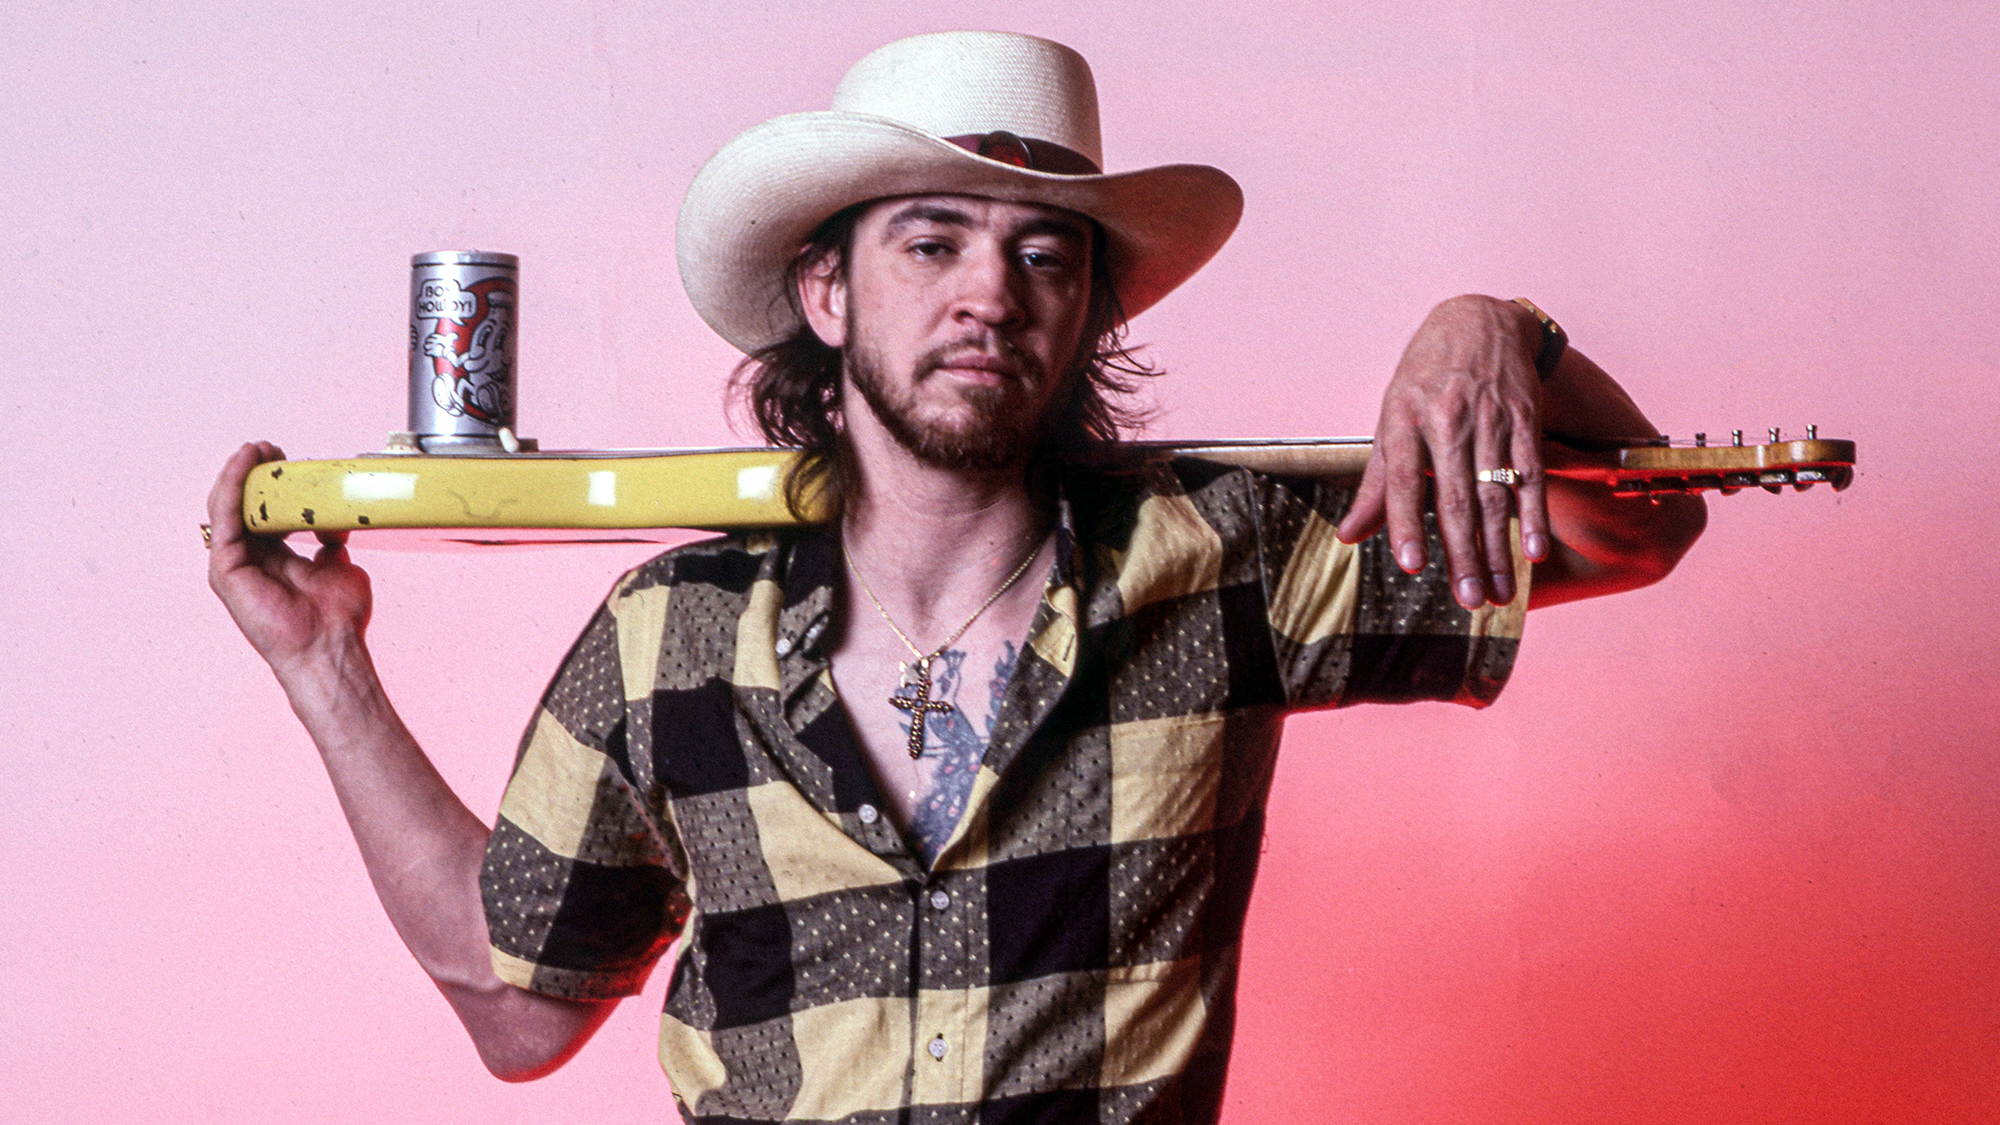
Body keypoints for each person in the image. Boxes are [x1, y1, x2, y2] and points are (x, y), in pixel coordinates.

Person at [207, 31, 1704, 1125]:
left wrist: (1498, 328)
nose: (993, 290)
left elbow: (1644, 527)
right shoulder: (672, 638)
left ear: (1085, 310)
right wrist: (321, 664)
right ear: (826, 288)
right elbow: (518, 1005)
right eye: (933, 242)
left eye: (1046, 255)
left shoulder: (1228, 562)